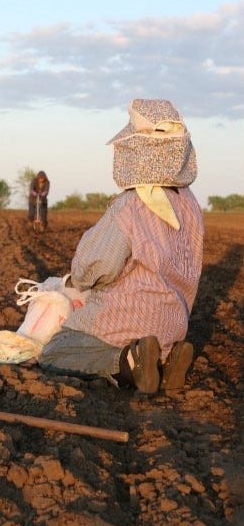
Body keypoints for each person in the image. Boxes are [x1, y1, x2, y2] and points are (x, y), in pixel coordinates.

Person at [38, 99, 204, 395]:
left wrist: (75, 282)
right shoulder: (190, 205)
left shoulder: (129, 205)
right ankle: (164, 364)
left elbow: (96, 266)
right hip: (173, 323)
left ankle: (127, 361)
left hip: (123, 323)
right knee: (154, 343)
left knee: (55, 352)